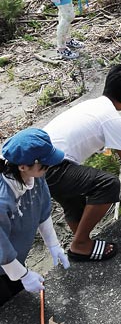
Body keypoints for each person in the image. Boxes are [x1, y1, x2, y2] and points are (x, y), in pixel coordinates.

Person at [44, 64, 121, 261]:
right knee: (108, 184)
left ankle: (82, 239)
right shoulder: (112, 119)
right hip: (54, 168)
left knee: (72, 198)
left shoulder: (90, 104)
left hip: (37, 166)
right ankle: (80, 244)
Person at [1, 128, 69, 306]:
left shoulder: (34, 175)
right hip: (3, 258)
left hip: (15, 257)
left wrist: (53, 244)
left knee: (18, 296)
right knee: (8, 307)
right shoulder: (3, 199)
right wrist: (23, 275)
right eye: (44, 165)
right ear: (22, 166)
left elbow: (43, 209)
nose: (48, 168)